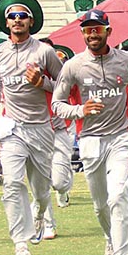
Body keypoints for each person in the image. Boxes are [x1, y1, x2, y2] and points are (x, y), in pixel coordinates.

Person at [51, 9, 128, 255]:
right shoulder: (73, 65)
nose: (92, 33)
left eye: (97, 28)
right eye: (87, 29)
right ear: (82, 33)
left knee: (119, 194)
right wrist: (80, 109)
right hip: (90, 140)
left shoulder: (127, 60)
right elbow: (56, 104)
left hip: (120, 137)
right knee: (100, 205)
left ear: (108, 31)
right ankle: (110, 239)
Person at [0, 0, 63, 255]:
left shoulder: (44, 52)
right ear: (5, 23)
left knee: (42, 192)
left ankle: (41, 214)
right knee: (11, 184)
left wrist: (42, 82)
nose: (17, 20)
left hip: (41, 128)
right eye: (12, 16)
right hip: (12, 128)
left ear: (31, 21)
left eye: (22, 16)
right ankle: (21, 246)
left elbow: (64, 87)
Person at [36, 38, 77, 240]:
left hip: (61, 130)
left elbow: (64, 89)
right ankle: (47, 224)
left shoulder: (60, 73)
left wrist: (42, 82)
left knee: (59, 182)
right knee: (40, 182)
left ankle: (64, 189)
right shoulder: (28, 71)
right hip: (36, 132)